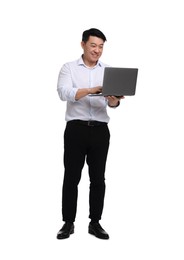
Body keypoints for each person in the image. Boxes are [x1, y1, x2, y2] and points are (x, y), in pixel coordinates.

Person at [56, 28, 124, 240]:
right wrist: (91, 90)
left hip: (100, 131)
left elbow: (112, 104)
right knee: (71, 177)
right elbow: (63, 93)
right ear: (83, 44)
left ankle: (95, 222)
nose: (97, 50)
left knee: (98, 179)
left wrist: (114, 99)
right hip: (76, 129)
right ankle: (68, 223)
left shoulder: (109, 70)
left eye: (101, 46)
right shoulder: (69, 68)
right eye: (93, 45)